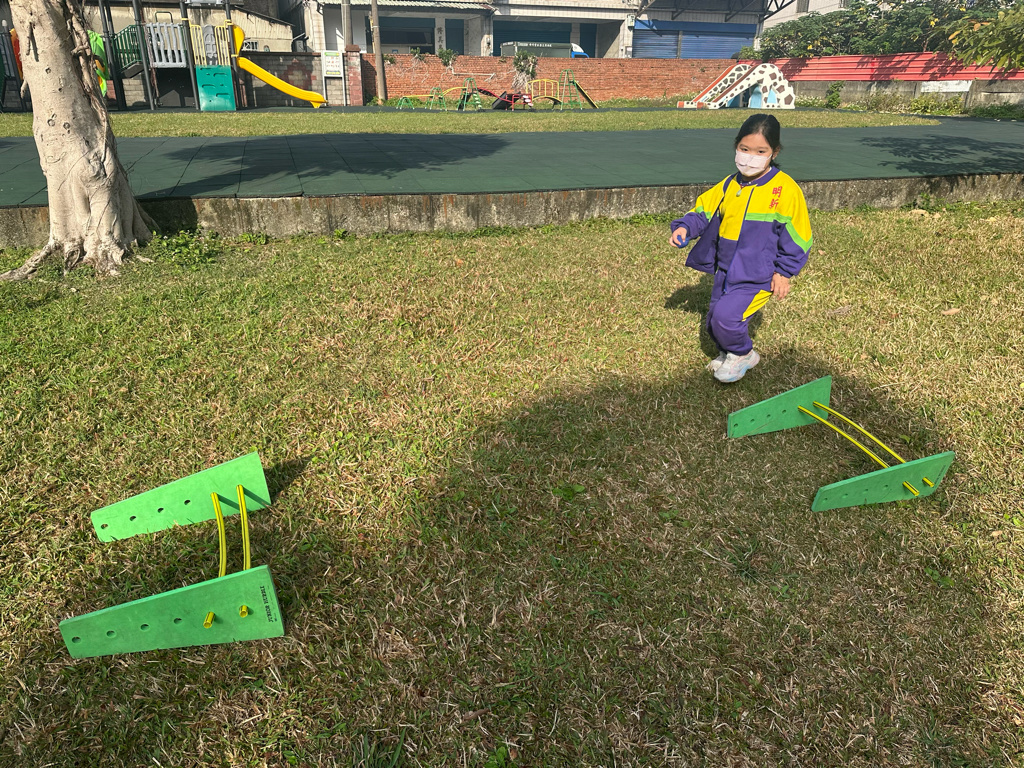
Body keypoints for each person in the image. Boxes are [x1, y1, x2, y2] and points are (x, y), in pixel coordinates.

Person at [669, 114, 812, 383]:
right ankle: (728, 352)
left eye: (760, 152)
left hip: (757, 275)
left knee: (726, 318)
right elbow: (703, 210)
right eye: (744, 149)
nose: (750, 158)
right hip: (725, 270)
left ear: (774, 152)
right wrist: (685, 227)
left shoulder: (786, 190)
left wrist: (784, 272)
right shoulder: (729, 184)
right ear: (736, 146)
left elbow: (799, 236)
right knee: (715, 317)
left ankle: (743, 353)